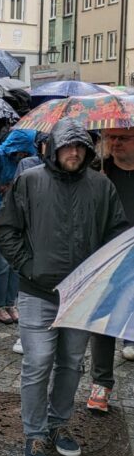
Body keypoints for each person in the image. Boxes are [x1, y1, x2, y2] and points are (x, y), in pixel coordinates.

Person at [0, 119, 128, 456]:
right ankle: (34, 433)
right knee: (37, 363)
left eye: (80, 147)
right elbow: (4, 227)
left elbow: (115, 232)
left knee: (71, 363)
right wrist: (28, 266)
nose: (73, 152)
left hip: (82, 295)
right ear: (52, 148)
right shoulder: (31, 181)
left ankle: (58, 424)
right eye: (67, 146)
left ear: (87, 150)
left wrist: (105, 273)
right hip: (38, 292)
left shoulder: (100, 186)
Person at [87, 128, 134, 407]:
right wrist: (93, 188)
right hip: (107, 256)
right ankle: (101, 384)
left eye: (123, 138)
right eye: (110, 138)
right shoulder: (96, 171)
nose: (114, 144)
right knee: (104, 321)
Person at [0, 130, 36, 324]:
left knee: (16, 263)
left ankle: (11, 302)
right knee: (1, 263)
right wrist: (0, 217)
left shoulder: (24, 160)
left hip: (17, 216)